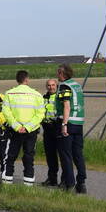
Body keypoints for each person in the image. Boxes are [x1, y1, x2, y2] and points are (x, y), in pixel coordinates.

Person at [1, 70, 44, 185]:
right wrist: (28, 127)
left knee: (10, 156)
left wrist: (17, 126)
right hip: (31, 132)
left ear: (17, 80)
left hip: (14, 131)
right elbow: (40, 114)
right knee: (29, 156)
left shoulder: (9, 94)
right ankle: (28, 183)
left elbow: (6, 112)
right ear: (27, 79)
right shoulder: (37, 95)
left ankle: (7, 181)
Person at [56, 63, 87, 193]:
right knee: (78, 155)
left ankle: (70, 184)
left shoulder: (64, 86)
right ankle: (81, 182)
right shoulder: (77, 85)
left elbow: (66, 106)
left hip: (68, 123)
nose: (57, 75)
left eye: (58, 72)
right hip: (79, 124)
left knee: (66, 155)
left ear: (62, 74)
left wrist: (64, 124)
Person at [39, 78, 67, 186]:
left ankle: (64, 180)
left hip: (58, 127)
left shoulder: (60, 96)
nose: (51, 87)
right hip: (47, 128)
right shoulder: (43, 97)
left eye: (53, 85)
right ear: (46, 87)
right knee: (50, 156)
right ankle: (52, 179)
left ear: (57, 85)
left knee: (62, 155)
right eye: (49, 85)